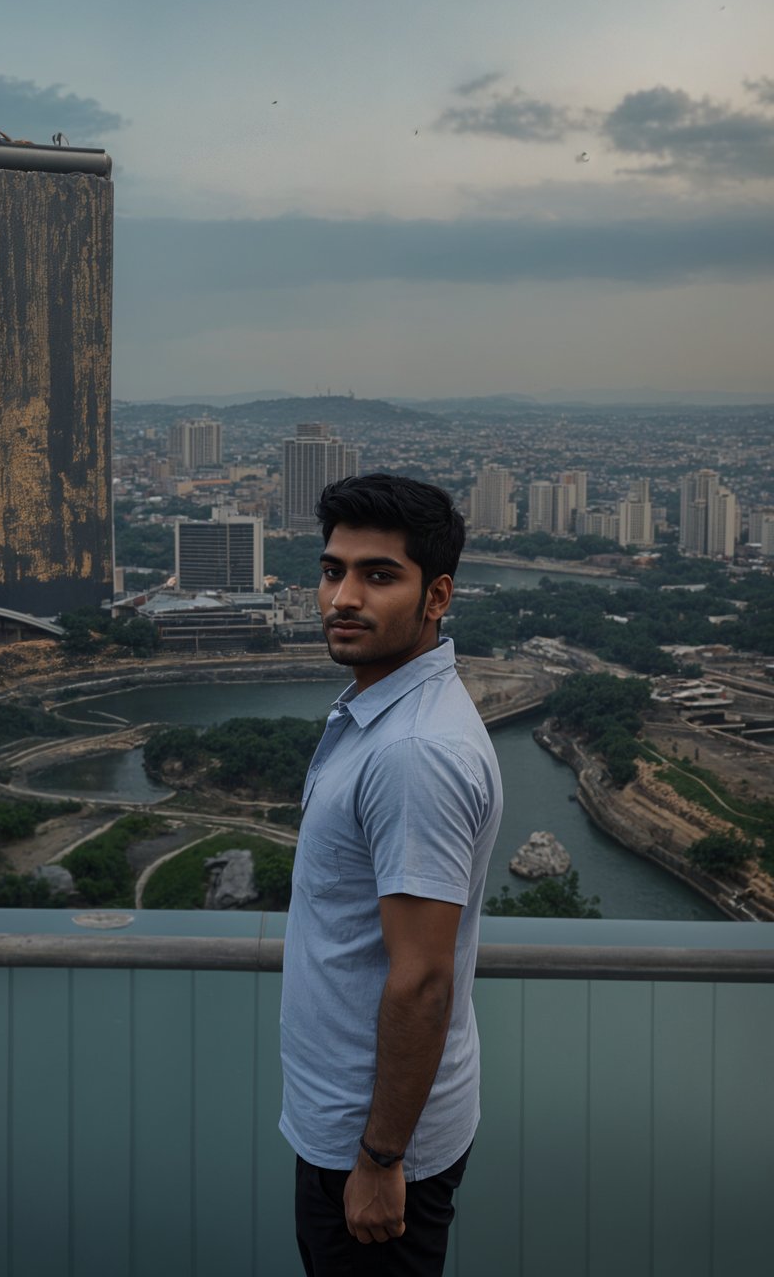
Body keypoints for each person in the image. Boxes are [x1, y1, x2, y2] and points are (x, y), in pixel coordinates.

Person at [280, 473, 502, 1276]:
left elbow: (420, 980)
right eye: (333, 570)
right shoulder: (387, 714)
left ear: (437, 595)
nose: (343, 596)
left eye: (379, 576)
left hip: (373, 1144)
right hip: (364, 1125)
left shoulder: (414, 754)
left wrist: (378, 1160)